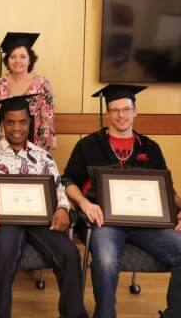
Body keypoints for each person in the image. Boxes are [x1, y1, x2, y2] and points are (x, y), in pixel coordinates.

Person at [62, 84, 181, 318]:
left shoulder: (150, 148)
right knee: (105, 261)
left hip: (147, 223)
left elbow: (168, 190)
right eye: (115, 110)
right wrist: (85, 204)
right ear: (107, 113)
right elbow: (68, 181)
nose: (121, 115)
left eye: (126, 109)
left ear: (135, 111)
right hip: (106, 221)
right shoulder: (88, 145)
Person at [0, 95, 86, 318]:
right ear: (3, 124)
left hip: (40, 221)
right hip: (5, 222)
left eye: (22, 122)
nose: (17, 128)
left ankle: (74, 314)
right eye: (10, 122)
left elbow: (59, 189)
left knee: (69, 252)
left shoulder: (43, 157)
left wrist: (62, 208)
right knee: (3, 251)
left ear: (29, 123)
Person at [0, 32, 56, 151]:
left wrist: (39, 151)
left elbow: (47, 121)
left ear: (30, 60)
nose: (17, 61)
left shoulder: (43, 84)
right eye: (13, 57)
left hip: (35, 145)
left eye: (22, 56)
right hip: (4, 146)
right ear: (7, 60)